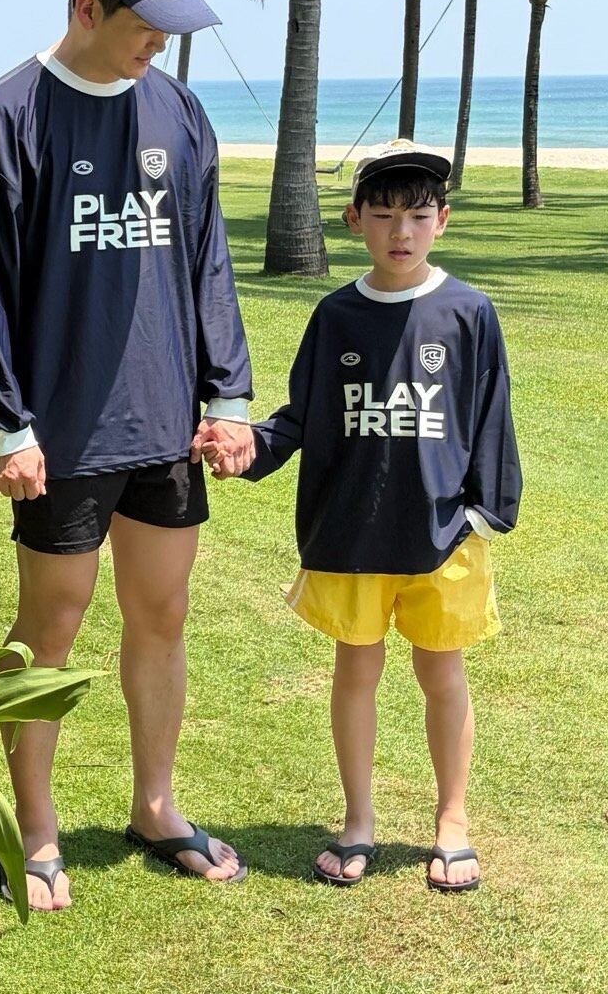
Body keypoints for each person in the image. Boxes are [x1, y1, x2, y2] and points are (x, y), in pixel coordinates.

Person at [0, 0, 256, 912]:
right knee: (53, 621)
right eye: (145, 24)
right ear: (87, 8)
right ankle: (34, 828)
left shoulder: (178, 112)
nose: (159, 42)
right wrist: (6, 425)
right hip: (61, 431)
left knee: (161, 614)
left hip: (165, 423)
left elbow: (206, 262)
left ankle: (155, 807)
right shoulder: (3, 119)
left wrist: (227, 397)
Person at [207, 138, 522, 892]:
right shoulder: (336, 315)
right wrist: (247, 447)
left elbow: (491, 418)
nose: (400, 232)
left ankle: (453, 822)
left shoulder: (468, 311)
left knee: (442, 672)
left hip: (442, 536)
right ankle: (358, 821)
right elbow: (303, 417)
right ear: (354, 221)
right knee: (356, 671)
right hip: (350, 533)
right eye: (383, 216)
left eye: (417, 215)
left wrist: (486, 515)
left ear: (442, 220)